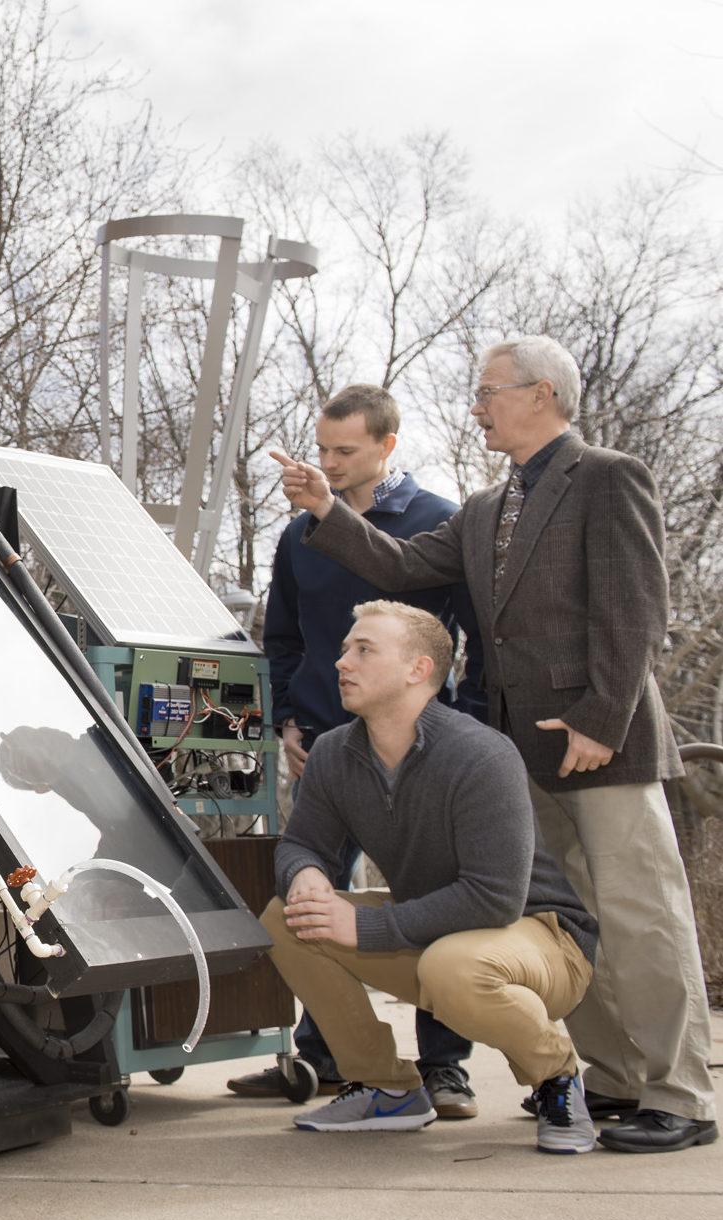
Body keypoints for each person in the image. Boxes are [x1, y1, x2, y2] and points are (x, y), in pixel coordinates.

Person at [272, 335, 716, 1153]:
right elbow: (402, 565)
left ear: (541, 394)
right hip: (528, 751)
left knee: (643, 915)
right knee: (567, 920)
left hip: (603, 742)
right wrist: (327, 511)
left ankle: (681, 1092)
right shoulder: (485, 509)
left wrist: (600, 718)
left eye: (488, 393)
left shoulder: (609, 477)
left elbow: (636, 611)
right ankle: (612, 1078)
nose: (476, 406)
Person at [265, 602, 599, 1154]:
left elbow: (494, 897)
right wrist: (303, 876)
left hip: (542, 938)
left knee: (453, 967)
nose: (342, 662)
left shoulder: (480, 754)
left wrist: (366, 928)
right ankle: (386, 1087)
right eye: (346, 649)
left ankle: (556, 1076)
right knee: (286, 919)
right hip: (438, 933)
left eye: (364, 650)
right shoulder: (332, 754)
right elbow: (302, 844)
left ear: (418, 669)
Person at [236, 384, 487, 1116]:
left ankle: (446, 1067)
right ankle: (327, 1059)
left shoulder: (437, 523)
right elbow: (283, 640)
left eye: (346, 450)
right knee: (309, 897)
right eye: (322, 449)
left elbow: (473, 643)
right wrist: (289, 721)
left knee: (433, 899)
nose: (330, 462)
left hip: (424, 752)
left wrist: (463, 731)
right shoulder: (295, 536)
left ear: (389, 445)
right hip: (324, 751)